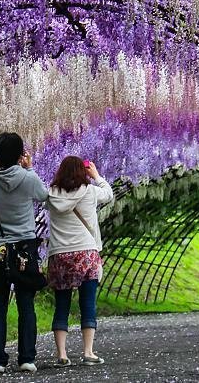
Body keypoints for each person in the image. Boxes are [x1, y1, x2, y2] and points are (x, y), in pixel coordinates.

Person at [0, 132, 49, 374]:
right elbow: (43, 195)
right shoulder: (28, 178)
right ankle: (26, 358)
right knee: (26, 304)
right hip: (23, 251)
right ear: (20, 154)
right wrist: (29, 169)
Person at [46, 156, 114, 367]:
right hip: (86, 254)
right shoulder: (90, 191)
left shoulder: (51, 195)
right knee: (87, 303)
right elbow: (109, 194)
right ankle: (88, 352)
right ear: (83, 173)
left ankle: (62, 355)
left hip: (60, 256)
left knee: (62, 305)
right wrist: (96, 176)